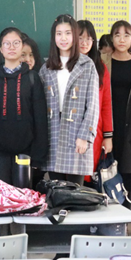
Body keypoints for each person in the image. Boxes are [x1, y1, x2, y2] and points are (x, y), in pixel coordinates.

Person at [0, 27, 48, 186]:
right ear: (1, 49)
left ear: (22, 46)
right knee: (1, 197)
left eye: (16, 43)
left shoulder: (32, 78)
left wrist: (38, 156)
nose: (11, 47)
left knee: (22, 197)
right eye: (7, 43)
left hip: (25, 154)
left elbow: (40, 120)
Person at [39, 14, 99, 185]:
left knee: (75, 191)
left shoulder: (86, 65)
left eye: (68, 33)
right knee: (56, 189)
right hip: (52, 133)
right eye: (59, 34)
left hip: (76, 133)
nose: (63, 38)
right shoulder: (46, 68)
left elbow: (93, 105)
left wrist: (85, 136)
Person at [101, 20, 131, 235]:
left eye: (126, 35)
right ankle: (110, 221)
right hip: (108, 124)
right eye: (117, 35)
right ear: (112, 38)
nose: (121, 39)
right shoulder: (102, 61)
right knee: (108, 172)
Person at [77, 20, 113, 179]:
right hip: (70, 130)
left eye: (89, 38)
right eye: (80, 38)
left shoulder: (100, 67)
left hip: (95, 130)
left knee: (89, 176)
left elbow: (106, 104)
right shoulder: (65, 65)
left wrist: (108, 136)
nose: (84, 43)